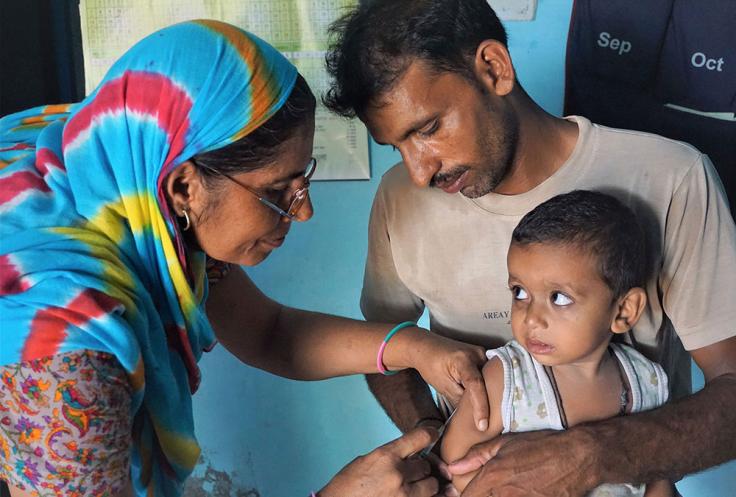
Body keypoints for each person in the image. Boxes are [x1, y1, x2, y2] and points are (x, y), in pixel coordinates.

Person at [0, 20, 493, 497]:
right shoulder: (66, 361)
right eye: (278, 191)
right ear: (184, 187)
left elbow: (268, 332)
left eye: (304, 178)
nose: (303, 212)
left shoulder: (122, 166)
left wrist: (414, 346)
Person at [323, 0, 736, 495]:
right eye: (397, 146)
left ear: (494, 69)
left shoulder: (671, 178)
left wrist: (593, 455)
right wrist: (439, 444)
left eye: (428, 128)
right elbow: (384, 343)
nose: (419, 171)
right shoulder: (399, 199)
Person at [441, 190, 673, 496]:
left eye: (559, 298)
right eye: (520, 292)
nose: (532, 318)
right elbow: (456, 465)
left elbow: (658, 475)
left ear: (623, 310)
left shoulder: (647, 383)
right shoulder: (508, 379)